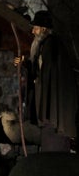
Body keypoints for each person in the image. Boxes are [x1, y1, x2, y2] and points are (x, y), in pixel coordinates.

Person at [14, 11, 77, 146]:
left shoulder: (51, 44)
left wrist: (37, 81)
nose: (33, 31)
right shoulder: (45, 44)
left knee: (52, 132)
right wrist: (24, 62)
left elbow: (47, 72)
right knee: (49, 131)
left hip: (54, 98)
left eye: (35, 27)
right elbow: (39, 68)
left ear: (43, 29)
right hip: (48, 96)